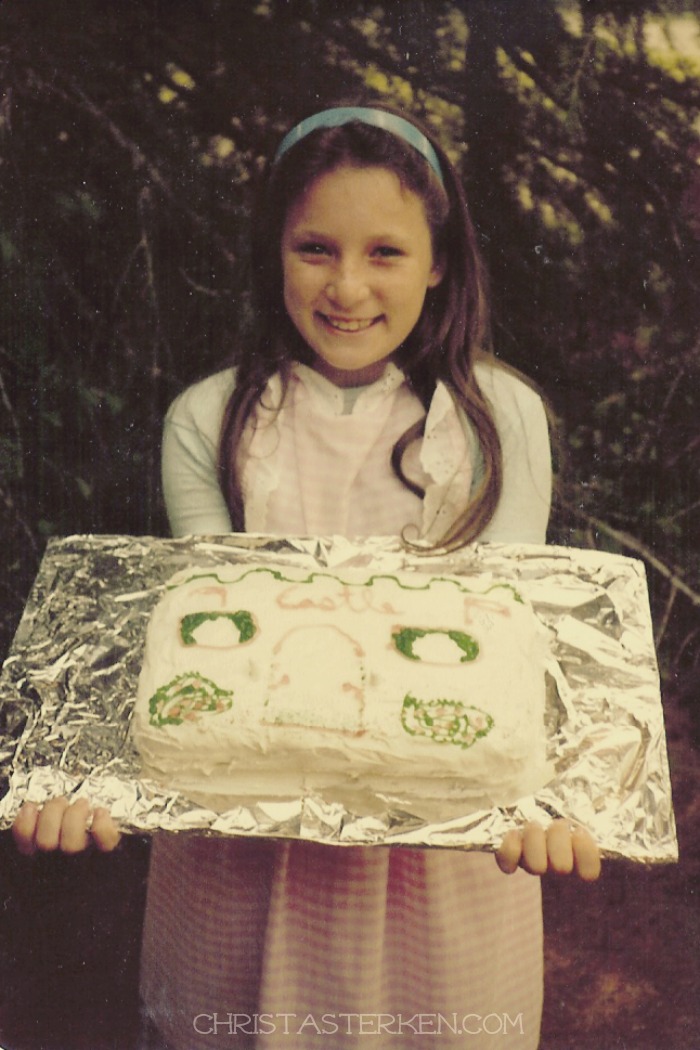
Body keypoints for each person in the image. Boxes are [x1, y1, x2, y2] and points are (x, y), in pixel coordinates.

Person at [13, 103, 600, 1049]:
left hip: (442, 855)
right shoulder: (209, 418)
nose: (348, 287)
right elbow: (196, 639)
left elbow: (512, 637)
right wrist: (89, 775)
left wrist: (548, 801)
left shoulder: (502, 418)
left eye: (387, 253)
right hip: (246, 856)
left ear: (440, 261)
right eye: (316, 248)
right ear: (273, 251)